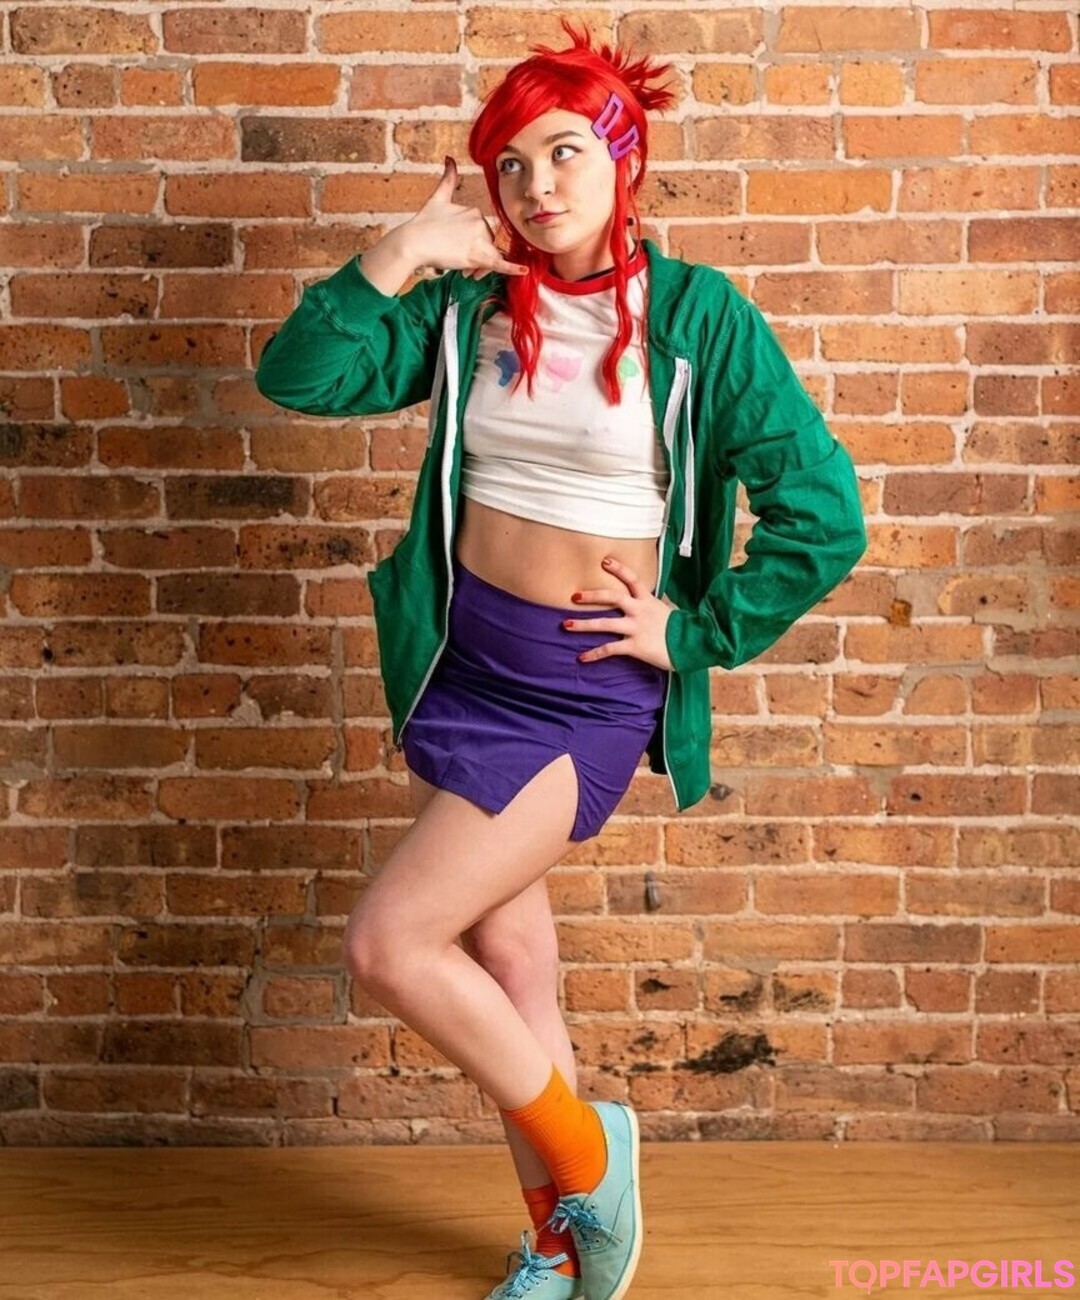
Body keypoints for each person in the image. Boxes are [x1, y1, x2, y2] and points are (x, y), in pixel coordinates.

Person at [254, 19, 867, 1300]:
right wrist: (406, 250)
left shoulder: (697, 318)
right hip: (460, 669)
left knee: (390, 943)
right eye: (512, 163)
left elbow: (823, 513)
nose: (538, 185)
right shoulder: (470, 308)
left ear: (623, 159)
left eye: (567, 151)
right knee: (513, 964)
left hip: (579, 691)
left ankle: (594, 1159)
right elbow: (300, 376)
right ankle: (555, 1243)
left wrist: (690, 632)